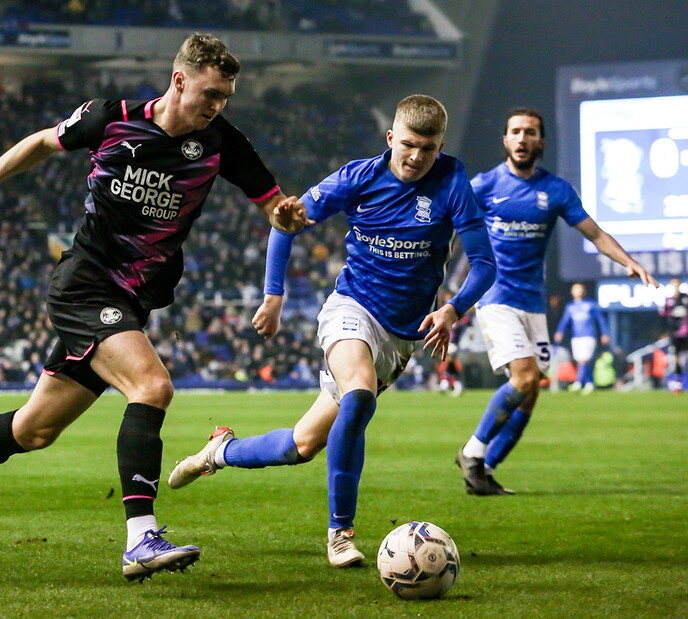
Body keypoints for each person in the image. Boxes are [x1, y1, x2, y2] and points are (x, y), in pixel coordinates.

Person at [0, 33, 310, 582]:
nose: (217, 106)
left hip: (131, 299)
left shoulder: (224, 143)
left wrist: (283, 218)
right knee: (152, 387)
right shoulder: (109, 117)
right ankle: (141, 537)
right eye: (210, 93)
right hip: (85, 284)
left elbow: (272, 205)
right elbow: (44, 142)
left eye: (226, 97)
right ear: (179, 80)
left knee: (33, 430)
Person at [168, 94, 496, 567]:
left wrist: (453, 310)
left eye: (428, 148)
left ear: (440, 146)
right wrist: (273, 296)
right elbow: (287, 222)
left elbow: (484, 265)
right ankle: (340, 533)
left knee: (300, 445)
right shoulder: (358, 177)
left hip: (400, 338)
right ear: (391, 138)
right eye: (408, 145)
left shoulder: (453, 180)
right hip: (351, 309)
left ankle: (218, 452)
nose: (417, 157)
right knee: (359, 393)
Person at [455, 107, 657, 496]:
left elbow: (595, 234)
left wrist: (629, 261)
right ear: (505, 140)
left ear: (540, 141)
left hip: (533, 303)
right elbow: (449, 221)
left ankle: (485, 470)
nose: (522, 138)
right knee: (525, 377)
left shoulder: (557, 190)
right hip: (495, 296)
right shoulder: (484, 185)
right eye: (515, 131)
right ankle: (471, 451)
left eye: (530, 132)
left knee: (531, 393)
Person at [553, 282, 609, 394]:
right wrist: (560, 332)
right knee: (581, 361)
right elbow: (565, 321)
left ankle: (579, 382)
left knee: (584, 359)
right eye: (575, 289)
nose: (578, 291)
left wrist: (605, 333)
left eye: (580, 289)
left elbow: (600, 320)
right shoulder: (571, 306)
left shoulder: (591, 305)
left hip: (589, 336)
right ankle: (589, 383)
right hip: (576, 337)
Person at [659, 277, 688, 393]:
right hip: (674, 333)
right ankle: (678, 384)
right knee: (676, 359)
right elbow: (663, 316)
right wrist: (664, 332)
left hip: (686, 332)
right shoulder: (668, 300)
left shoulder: (685, 298)